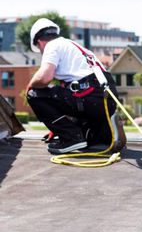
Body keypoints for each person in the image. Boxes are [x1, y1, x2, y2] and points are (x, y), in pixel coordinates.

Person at [26, 18, 126, 154]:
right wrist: (58, 126)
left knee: (34, 94)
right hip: (105, 101)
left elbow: (45, 78)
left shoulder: (52, 45)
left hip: (88, 97)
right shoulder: (75, 47)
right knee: (86, 135)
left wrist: (30, 85)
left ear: (39, 42)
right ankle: (98, 133)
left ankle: (72, 138)